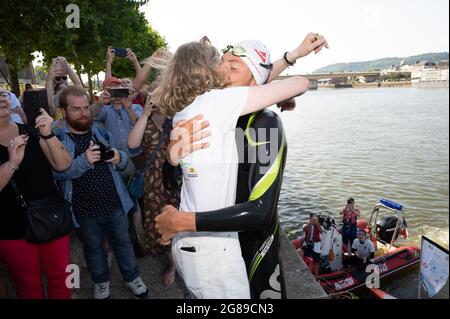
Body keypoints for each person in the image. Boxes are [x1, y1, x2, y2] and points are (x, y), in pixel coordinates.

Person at [155, 33, 328, 299]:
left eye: (232, 66)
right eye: (221, 62)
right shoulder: (215, 106)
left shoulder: (261, 123)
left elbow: (261, 212)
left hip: (242, 242)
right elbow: (171, 184)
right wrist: (171, 158)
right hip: (215, 248)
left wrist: (290, 58)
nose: (221, 69)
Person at [53, 86, 149, 299]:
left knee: (123, 244)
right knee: (94, 249)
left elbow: (123, 156)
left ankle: (132, 277)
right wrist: (84, 161)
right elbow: (57, 174)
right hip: (83, 208)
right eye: (76, 109)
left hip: (114, 202)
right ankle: (101, 282)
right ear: (64, 111)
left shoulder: (100, 130)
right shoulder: (58, 137)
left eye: (86, 107)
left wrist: (119, 157)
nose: (84, 113)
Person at [0, 92, 72, 299]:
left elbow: (63, 164)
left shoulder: (31, 131)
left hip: (51, 217)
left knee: (62, 277)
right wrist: (12, 163)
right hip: (11, 227)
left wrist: (49, 134)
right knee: (28, 284)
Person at [127, 80, 180, 286]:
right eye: (154, 99)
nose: (159, 102)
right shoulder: (145, 122)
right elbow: (132, 144)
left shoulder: (176, 120)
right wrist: (145, 114)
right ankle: (168, 256)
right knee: (158, 223)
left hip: (174, 180)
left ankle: (174, 265)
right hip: (152, 181)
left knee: (176, 222)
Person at [45, 56, 83, 121]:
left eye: (64, 78)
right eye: (58, 78)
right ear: (53, 83)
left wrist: (67, 66)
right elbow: (48, 104)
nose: (61, 80)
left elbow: (78, 84)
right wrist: (50, 78)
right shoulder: (53, 101)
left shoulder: (73, 96)